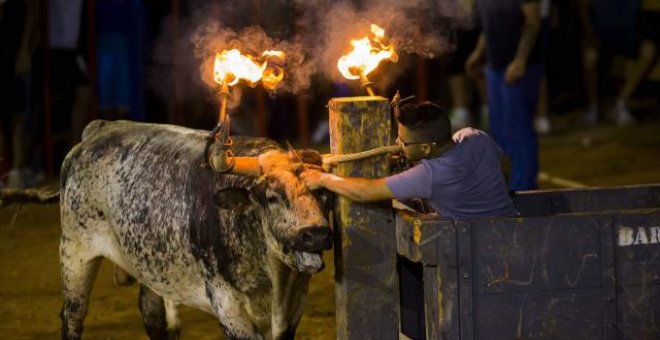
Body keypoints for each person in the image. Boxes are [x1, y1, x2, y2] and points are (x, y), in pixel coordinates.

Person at [301, 101, 517, 339]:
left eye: (403, 142)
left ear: (426, 148)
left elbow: (366, 191)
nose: (396, 144)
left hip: (467, 256)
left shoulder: (431, 174)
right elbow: (505, 165)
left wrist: (322, 179)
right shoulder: (475, 137)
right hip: (508, 240)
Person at [465, 0, 544, 191]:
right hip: (495, 67)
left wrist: (520, 60)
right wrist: (479, 53)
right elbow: (489, 26)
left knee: (517, 130)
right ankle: (506, 186)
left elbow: (533, 22)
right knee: (499, 132)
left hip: (520, 68)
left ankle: (524, 188)